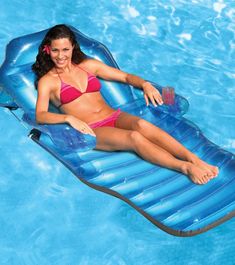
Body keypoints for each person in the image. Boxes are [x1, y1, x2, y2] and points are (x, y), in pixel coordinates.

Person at [32, 24, 219, 185]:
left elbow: (125, 76)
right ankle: (185, 167)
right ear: (48, 50)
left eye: (65, 49)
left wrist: (144, 84)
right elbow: (40, 115)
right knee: (134, 137)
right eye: (55, 50)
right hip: (91, 129)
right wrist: (68, 118)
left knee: (142, 124)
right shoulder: (48, 81)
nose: (61, 56)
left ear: (73, 47)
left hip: (113, 115)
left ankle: (193, 158)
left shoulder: (87, 65)